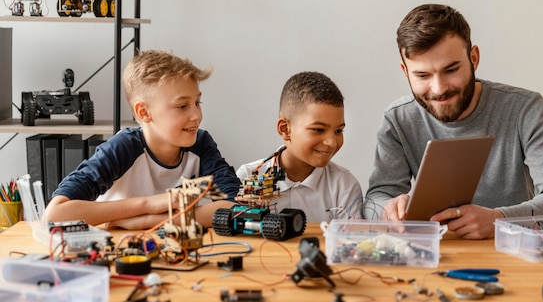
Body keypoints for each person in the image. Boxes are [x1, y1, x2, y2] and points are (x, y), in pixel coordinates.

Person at [366, 4, 543, 239]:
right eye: (422, 75)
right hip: (433, 254)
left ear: (474, 58)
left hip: (515, 250)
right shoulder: (397, 119)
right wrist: (388, 211)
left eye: (451, 70)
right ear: (405, 72)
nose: (439, 89)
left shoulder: (525, 108)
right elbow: (374, 200)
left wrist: (499, 220)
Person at [45, 50, 241, 230]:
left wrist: (152, 221)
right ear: (144, 112)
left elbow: (235, 206)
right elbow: (55, 214)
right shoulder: (121, 148)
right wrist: (150, 204)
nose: (196, 115)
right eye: (182, 106)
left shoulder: (201, 143)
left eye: (197, 102)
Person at [236, 71, 363, 222]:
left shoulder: (344, 186)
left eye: (338, 131)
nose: (332, 142)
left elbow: (348, 243)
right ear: (285, 129)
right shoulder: (247, 177)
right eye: (318, 130)